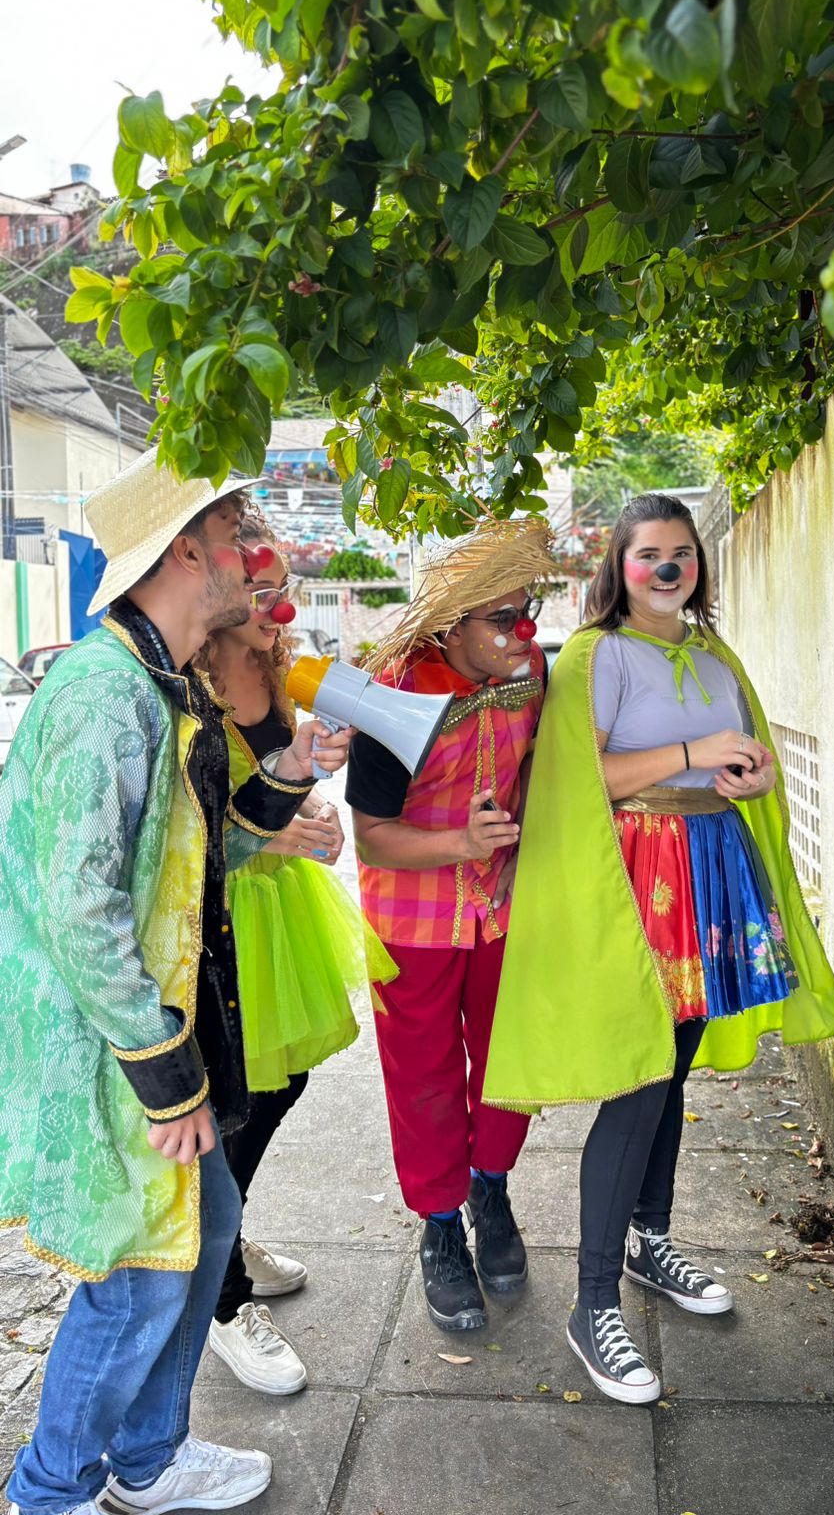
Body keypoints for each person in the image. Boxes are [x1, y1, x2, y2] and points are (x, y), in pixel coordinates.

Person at [0, 453, 350, 1515]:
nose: (259, 543)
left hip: (165, 1022)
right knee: (140, 1275)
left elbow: (200, 862)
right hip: (111, 1047)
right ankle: (50, 1491)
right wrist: (167, 1077)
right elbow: (78, 909)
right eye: (239, 522)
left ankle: (147, 1461)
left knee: (202, 1238)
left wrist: (287, 776)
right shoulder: (105, 695)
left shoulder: (169, 680)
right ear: (187, 550)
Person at [483, 493, 834, 1403]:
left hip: (710, 867)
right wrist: (694, 745)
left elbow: (740, 762)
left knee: (672, 1072)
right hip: (635, 879)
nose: (669, 567)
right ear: (619, 566)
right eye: (650, 553)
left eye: (682, 552)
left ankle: (650, 1241)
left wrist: (749, 770)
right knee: (641, 1081)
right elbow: (580, 773)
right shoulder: (597, 655)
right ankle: (592, 1303)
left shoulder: (713, 652)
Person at [195, 510, 396, 1395]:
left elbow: (281, 779)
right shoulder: (187, 682)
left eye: (283, 590)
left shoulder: (277, 666)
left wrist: (317, 818)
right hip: (222, 912)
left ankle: (224, 1235)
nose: (274, 606)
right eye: (261, 588)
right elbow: (198, 822)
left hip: (283, 911)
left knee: (282, 1082)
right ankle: (222, 1300)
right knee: (232, 1094)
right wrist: (277, 837)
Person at [345, 518, 556, 1332]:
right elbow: (372, 834)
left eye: (526, 609)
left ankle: (491, 1192)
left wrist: (523, 811)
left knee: (510, 1062)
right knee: (425, 1079)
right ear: (451, 623)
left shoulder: (532, 669)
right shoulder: (389, 693)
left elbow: (540, 752)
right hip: (411, 920)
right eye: (502, 618)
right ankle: (439, 1228)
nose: (523, 631)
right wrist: (461, 842)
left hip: (502, 909)